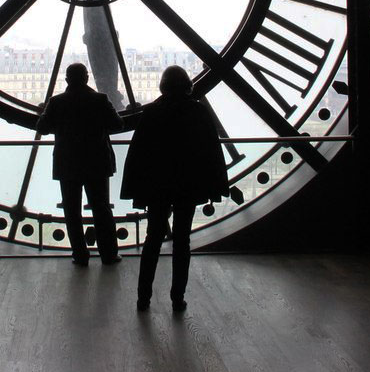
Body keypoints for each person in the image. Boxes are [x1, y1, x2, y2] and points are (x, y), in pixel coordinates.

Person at [121, 65, 228, 312]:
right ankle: (177, 298)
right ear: (187, 85)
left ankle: (143, 297)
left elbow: (139, 155)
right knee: (182, 241)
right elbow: (210, 151)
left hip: (157, 186)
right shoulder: (198, 112)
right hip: (187, 186)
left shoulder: (152, 113)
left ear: (163, 86)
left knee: (153, 240)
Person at [37, 62, 123, 266]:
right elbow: (117, 124)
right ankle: (108, 254)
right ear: (86, 78)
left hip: (67, 164)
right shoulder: (99, 100)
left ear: (67, 80)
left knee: (72, 210)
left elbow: (43, 127)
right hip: (96, 163)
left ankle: (80, 254)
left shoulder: (56, 102)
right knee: (101, 209)